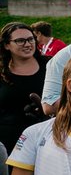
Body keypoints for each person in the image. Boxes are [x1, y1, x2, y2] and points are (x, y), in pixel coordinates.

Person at [1, 21, 49, 153]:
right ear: (6, 45)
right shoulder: (1, 72)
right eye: (20, 41)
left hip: (45, 138)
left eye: (30, 39)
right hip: (8, 142)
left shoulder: (50, 65)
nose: (27, 44)